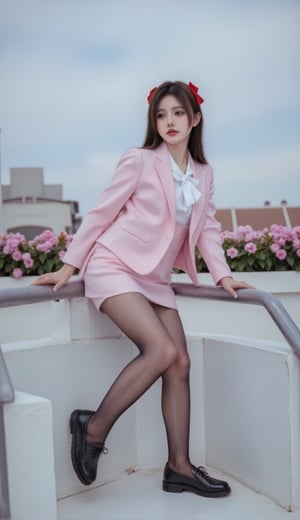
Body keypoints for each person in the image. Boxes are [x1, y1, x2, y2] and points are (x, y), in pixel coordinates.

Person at [33, 80, 252, 498]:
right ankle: (92, 428)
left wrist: (222, 276)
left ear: (195, 119)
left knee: (180, 363)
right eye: (161, 114)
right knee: (162, 351)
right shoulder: (139, 160)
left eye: (178, 113)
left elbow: (207, 228)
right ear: (154, 122)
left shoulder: (203, 173)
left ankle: (179, 468)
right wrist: (68, 265)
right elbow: (101, 213)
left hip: (154, 278)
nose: (169, 122)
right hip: (114, 265)